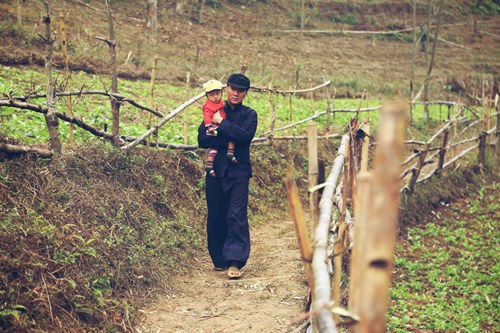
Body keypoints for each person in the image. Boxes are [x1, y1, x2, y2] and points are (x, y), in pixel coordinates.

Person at [197, 73, 258, 279]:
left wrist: (221, 126)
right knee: (216, 213)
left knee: (236, 214)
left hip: (239, 172)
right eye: (232, 89)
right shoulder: (215, 108)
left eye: (240, 91)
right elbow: (202, 139)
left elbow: (245, 136)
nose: (235, 93)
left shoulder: (250, 115)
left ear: (245, 94)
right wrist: (229, 136)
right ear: (227, 89)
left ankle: (234, 261)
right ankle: (219, 259)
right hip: (215, 172)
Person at [201, 79, 238, 177]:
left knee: (216, 147)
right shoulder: (208, 107)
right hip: (213, 129)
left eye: (217, 94)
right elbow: (207, 117)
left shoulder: (221, 104)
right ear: (207, 96)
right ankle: (228, 154)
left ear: (221, 93)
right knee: (227, 137)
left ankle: (212, 163)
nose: (215, 97)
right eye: (212, 95)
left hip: (219, 126)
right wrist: (209, 127)